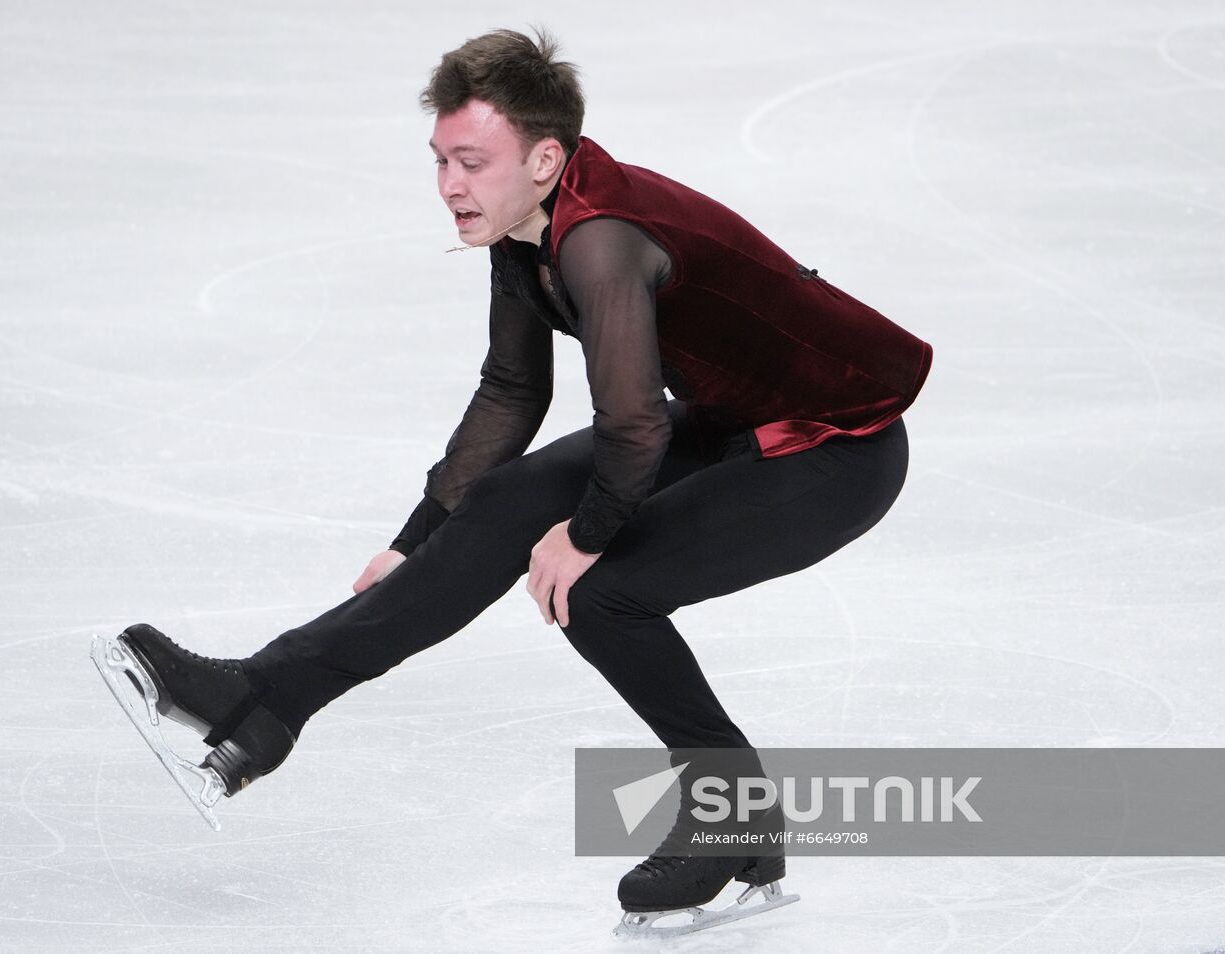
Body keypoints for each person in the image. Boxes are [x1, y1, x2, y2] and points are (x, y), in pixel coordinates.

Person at [95, 26, 931, 931]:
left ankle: (734, 813)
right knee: (501, 507)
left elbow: (636, 423)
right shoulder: (524, 231)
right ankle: (265, 701)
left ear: (543, 157)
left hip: (838, 449)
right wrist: (419, 543)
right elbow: (511, 392)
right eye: (441, 160)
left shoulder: (600, 242)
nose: (451, 185)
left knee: (603, 590)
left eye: (472, 160)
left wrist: (586, 535)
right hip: (736, 422)